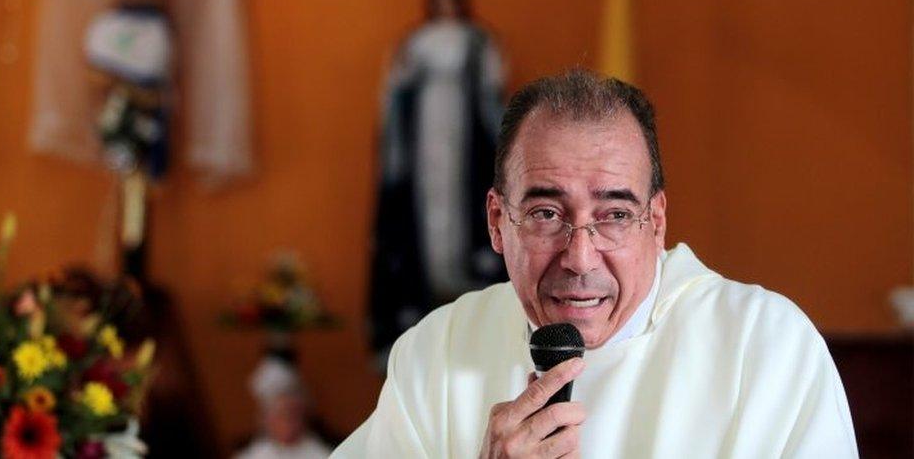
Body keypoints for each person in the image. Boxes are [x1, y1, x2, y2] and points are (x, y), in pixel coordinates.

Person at [335, 69, 858, 458]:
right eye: (545, 213)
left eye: (613, 214)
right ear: (496, 221)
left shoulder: (765, 348)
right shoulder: (438, 353)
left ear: (656, 222)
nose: (580, 257)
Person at [369, 0, 507, 368]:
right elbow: (395, 90)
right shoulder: (414, 42)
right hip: (426, 132)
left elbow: (492, 91)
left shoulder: (478, 40)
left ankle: (462, 274)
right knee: (427, 205)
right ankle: (430, 278)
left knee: (464, 203)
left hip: (464, 136)